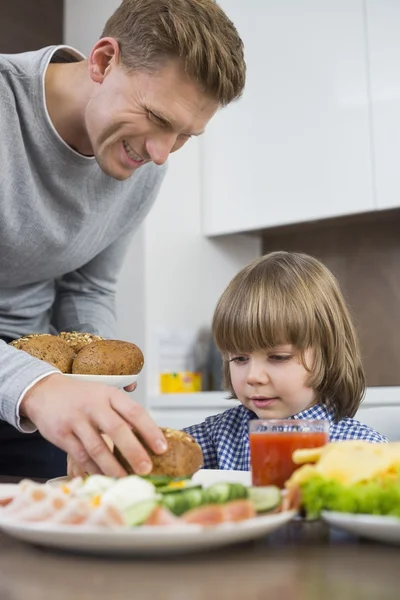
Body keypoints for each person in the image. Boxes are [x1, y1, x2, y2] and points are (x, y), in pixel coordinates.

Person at [0, 0, 246, 478]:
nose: (160, 153)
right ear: (103, 61)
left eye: (183, 135)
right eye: (156, 116)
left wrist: (99, 377)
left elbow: (86, 288)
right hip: (37, 384)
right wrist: (36, 387)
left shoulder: (145, 164)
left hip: (41, 387)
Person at [182, 251, 388, 470]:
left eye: (278, 357)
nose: (253, 376)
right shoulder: (220, 434)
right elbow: (155, 458)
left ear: (327, 354)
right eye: (240, 358)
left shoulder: (363, 451)